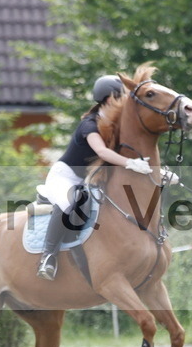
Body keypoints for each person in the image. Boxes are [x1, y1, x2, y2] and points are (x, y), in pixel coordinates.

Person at [35, 74, 153, 280]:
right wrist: (131, 164)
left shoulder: (113, 127)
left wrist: (159, 172)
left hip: (86, 180)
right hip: (64, 177)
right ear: (109, 100)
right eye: (121, 98)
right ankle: (48, 257)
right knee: (68, 205)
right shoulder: (88, 125)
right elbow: (103, 153)